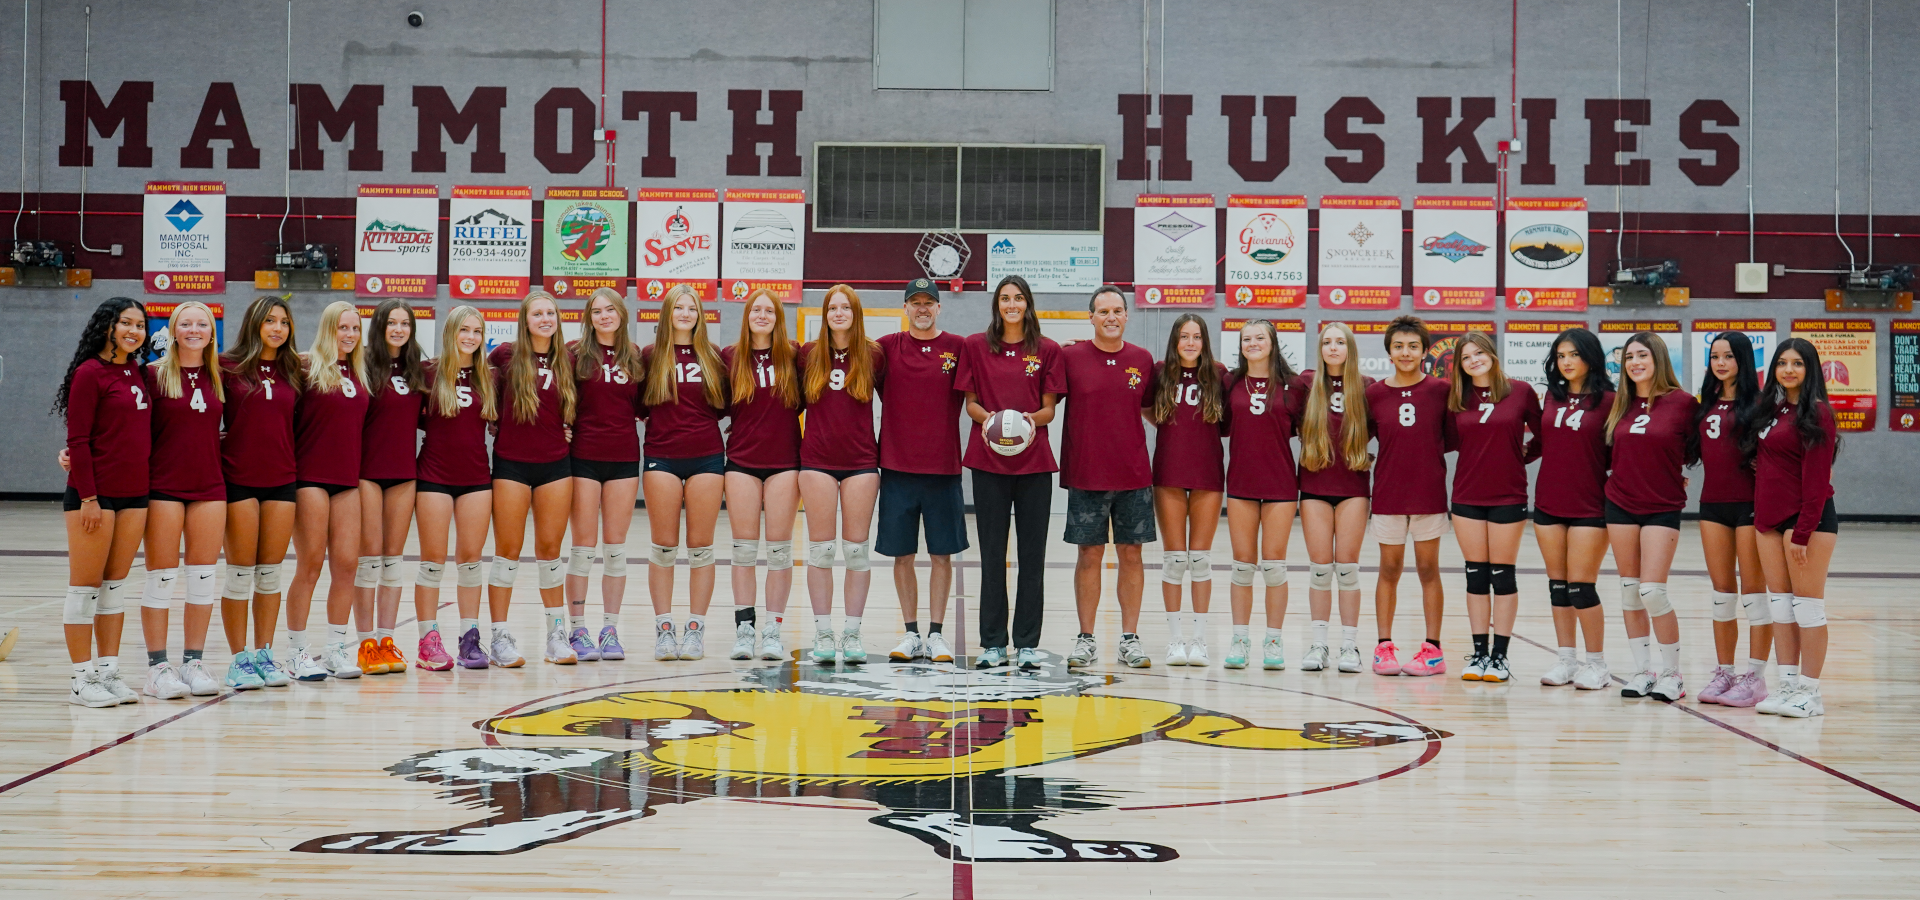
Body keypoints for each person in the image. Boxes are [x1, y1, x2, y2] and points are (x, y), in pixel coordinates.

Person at [956, 275, 1062, 669]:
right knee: (992, 555)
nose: (1012, 304)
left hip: (1034, 463)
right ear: (996, 305)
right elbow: (971, 403)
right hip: (988, 463)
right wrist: (994, 423)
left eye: (1018, 298)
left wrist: (1023, 423)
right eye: (1005, 298)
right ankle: (992, 644)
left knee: (1033, 556)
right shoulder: (975, 347)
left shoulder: (1047, 350)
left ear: (1028, 304)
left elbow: (1049, 408)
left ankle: (1027, 644)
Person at [54, 298, 151, 707]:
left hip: (135, 494)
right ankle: (81, 678)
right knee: (84, 588)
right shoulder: (89, 373)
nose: (133, 331)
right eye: (125, 323)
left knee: (114, 588)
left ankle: (108, 671)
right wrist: (89, 498)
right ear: (107, 327)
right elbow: (77, 440)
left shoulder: (139, 372)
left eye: (140, 325)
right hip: (93, 496)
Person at [1060, 286, 1157, 670]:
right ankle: (1086, 639)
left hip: (1133, 474)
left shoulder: (1142, 359)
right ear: (1091, 317)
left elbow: (1150, 409)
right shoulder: (1070, 356)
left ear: (1127, 315)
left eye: (1117, 310)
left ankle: (1129, 639)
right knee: (1089, 555)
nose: (1111, 317)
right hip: (1086, 473)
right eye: (1103, 311)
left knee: (1131, 555)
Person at [137, 301, 228, 698]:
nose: (194, 329)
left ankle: (193, 662)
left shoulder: (222, 375)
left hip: (209, 487)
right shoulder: (151, 376)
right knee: (160, 578)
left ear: (212, 332)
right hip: (163, 487)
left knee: (203, 579)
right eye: (186, 323)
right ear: (172, 330)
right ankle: (157, 668)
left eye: (202, 324)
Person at [1744, 338, 1838, 718]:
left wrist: (1802, 531)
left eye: (1797, 363)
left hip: (1806, 522)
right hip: (1768, 519)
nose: (1788, 370)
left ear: (1809, 369)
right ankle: (1786, 684)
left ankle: (1810, 692)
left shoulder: (1818, 413)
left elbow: (1817, 479)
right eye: (1782, 363)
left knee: (1808, 608)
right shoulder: (1774, 410)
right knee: (1780, 606)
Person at [875, 278, 968, 663]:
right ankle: (911, 633)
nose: (923, 308)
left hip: (943, 469)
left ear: (939, 308)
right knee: (903, 556)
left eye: (929, 302)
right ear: (905, 308)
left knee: (943, 555)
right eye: (916, 302)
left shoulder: (959, 348)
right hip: (897, 467)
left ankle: (937, 634)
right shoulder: (884, 348)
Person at [1604, 332, 1698, 702]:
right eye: (1629, 357)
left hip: (1662, 504)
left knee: (1652, 592)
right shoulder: (1619, 404)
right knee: (1630, 593)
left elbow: (1699, 446)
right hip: (1620, 503)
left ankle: (1672, 674)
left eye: (1642, 355)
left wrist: (1681, 470)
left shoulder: (1684, 403)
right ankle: (1642, 671)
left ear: (1658, 358)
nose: (1634, 363)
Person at [215, 296, 301, 688]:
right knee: (239, 574)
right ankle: (238, 660)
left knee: (270, 575)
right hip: (238, 479)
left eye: (284, 322)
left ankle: (264, 654)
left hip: (282, 479)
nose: (277, 328)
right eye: (269, 320)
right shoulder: (226, 366)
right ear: (253, 323)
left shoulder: (294, 370)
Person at [798, 284, 887, 664]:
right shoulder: (809, 354)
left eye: (845, 307)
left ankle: (851, 633)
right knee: (820, 551)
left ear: (855, 313)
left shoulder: (873, 355)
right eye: (832, 307)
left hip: (861, 462)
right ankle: (822, 632)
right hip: (816, 460)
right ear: (825, 313)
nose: (838, 313)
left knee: (856, 552)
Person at [640, 284, 729, 661]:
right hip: (662, 456)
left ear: (700, 314)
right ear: (667, 312)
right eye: (679, 307)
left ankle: (694, 630)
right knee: (663, 549)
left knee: (701, 549)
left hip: (707, 457)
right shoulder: (649, 356)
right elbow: (636, 403)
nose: (686, 313)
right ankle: (664, 629)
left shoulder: (713, 356)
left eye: (692, 307)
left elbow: (723, 405)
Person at [489, 291, 577, 666]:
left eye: (550, 313)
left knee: (550, 553)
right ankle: (499, 637)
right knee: (507, 553)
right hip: (511, 464)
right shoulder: (505, 356)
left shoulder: (569, 359)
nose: (545, 319)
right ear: (525, 320)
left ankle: (556, 635)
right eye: (537, 313)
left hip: (556, 464)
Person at [1446, 332, 1540, 683]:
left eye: (1479, 353)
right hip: (1467, 496)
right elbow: (1448, 441)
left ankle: (1500, 657)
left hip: (1508, 495)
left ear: (1492, 355)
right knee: (1475, 575)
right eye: (1466, 357)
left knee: (1502, 575)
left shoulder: (1520, 391)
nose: (1474, 360)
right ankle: (1479, 654)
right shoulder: (1457, 397)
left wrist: (1521, 455)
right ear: (1460, 365)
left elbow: (1543, 434)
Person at [285, 300, 370, 680]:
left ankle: (336, 648)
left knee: (347, 565)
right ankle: (297, 653)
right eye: (342, 328)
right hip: (310, 478)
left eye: (354, 329)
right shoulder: (304, 366)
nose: (349, 335)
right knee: (310, 565)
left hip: (348, 480)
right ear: (327, 328)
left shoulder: (360, 372)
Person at [1364, 316, 1451, 677]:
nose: (1405, 352)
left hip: (1429, 494)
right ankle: (1384, 647)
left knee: (1429, 569)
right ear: (1389, 351)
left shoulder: (1441, 391)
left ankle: (1433, 650)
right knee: (1389, 569)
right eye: (1398, 346)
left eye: (1413, 346)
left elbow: (1454, 437)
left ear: (1424, 351)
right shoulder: (1373, 394)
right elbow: (1360, 438)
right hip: (1388, 494)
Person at [1530, 328, 1616, 691]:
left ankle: (1597, 664)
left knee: (1582, 588)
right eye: (1561, 355)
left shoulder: (1611, 400)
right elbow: (1538, 442)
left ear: (1590, 358)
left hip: (1591, 504)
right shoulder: (1551, 397)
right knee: (1559, 587)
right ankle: (1566, 659)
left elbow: (1626, 448)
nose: (1566, 362)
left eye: (1574, 355)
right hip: (1549, 500)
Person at [412, 307, 497, 670]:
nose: (471, 337)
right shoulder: (428, 373)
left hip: (477, 477)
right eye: (464, 329)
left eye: (477, 331)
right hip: (433, 476)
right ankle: (428, 639)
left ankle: (469, 638)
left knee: (471, 562)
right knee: (432, 562)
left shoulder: (490, 377)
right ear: (450, 332)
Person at [721, 288, 803, 661]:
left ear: (778, 317)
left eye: (769, 310)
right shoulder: (730, 358)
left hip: (785, 462)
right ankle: (744, 629)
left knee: (780, 551)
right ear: (747, 315)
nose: (762, 315)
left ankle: (773, 629)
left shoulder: (795, 356)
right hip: (741, 462)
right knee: (742, 550)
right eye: (756, 309)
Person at [565, 287, 645, 662]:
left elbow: (647, 405)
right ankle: (578, 629)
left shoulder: (636, 357)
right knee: (582, 549)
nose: (603, 315)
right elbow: (559, 400)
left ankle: (610, 629)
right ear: (588, 317)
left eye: (609, 309)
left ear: (621, 313)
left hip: (624, 460)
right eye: (596, 311)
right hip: (583, 458)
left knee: (614, 550)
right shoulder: (574, 355)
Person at [1694, 332, 1771, 707]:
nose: (1721, 363)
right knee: (1722, 596)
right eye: (1714, 356)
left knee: (1754, 596)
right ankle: (1724, 672)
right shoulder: (1704, 403)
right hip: (1712, 506)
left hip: (1750, 505)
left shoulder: (1760, 404)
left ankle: (1754, 677)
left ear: (1743, 360)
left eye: (1728, 356)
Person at [1147, 312, 1226, 667]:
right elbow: (1146, 406)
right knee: (1175, 560)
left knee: (1200, 559)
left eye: (1197, 336)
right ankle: (1175, 640)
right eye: (1184, 336)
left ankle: (1200, 639)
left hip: (1208, 472)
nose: (1191, 343)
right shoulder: (1161, 370)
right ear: (1175, 340)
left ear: (1204, 341)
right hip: (1168, 471)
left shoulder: (1219, 373)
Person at [1220, 320, 1299, 670]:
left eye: (1260, 338)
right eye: (1246, 339)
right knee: (1241, 566)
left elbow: (1311, 429)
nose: (1253, 343)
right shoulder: (1230, 382)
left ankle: (1273, 641)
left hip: (1281, 483)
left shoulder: (1293, 386)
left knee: (1274, 567)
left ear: (1273, 343)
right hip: (1240, 483)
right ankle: (1239, 639)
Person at [1294, 322, 1372, 674]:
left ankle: (1350, 646)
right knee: (1321, 570)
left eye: (1341, 342)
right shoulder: (1306, 384)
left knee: (1348, 569)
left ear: (1350, 348)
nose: (1334, 348)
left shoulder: (1367, 387)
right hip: (1314, 484)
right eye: (1328, 342)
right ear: (1320, 348)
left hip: (1354, 486)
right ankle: (1319, 643)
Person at [355, 299, 427, 675]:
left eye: (405, 323)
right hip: (366, 472)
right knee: (368, 559)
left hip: (404, 473)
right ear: (379, 326)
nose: (398, 329)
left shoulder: (418, 368)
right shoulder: (362, 363)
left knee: (393, 561)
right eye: (391, 323)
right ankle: (365, 641)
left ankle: (386, 639)